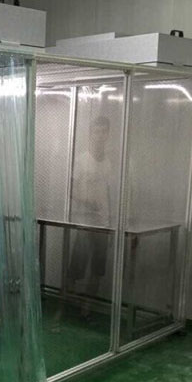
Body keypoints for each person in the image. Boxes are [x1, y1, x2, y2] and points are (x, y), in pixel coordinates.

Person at [63, 115, 112, 320]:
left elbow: (108, 192)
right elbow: (70, 190)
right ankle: (65, 308)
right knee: (77, 266)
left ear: (108, 135)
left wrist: (109, 216)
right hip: (84, 221)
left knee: (98, 269)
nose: (100, 136)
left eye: (103, 132)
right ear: (91, 134)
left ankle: (87, 309)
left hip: (103, 222)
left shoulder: (108, 163)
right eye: (96, 131)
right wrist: (88, 201)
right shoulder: (81, 160)